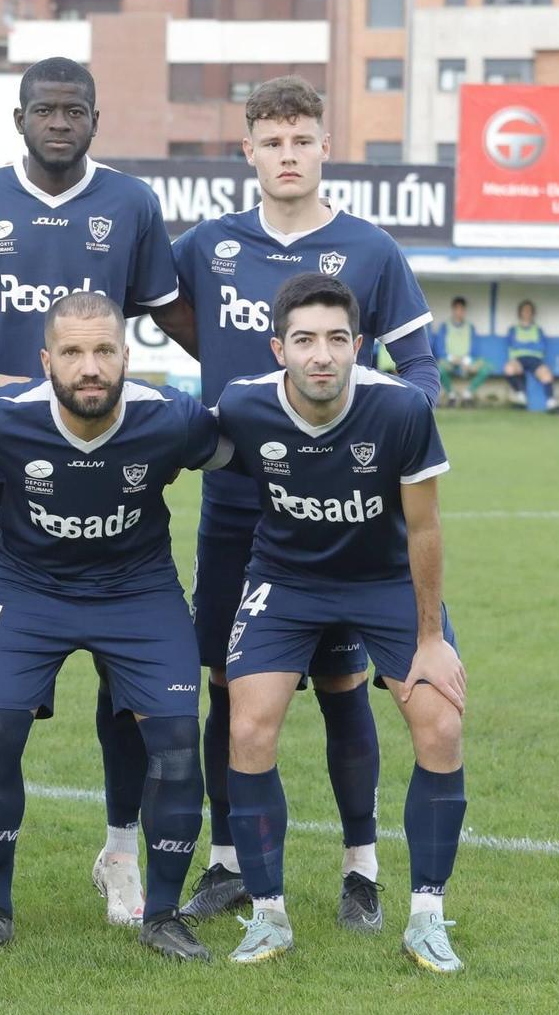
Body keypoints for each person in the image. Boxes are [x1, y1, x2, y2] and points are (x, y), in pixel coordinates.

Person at [0, 56, 196, 929]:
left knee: (127, 677)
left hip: (105, 457)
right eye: (45, 109)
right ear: (18, 117)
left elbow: (170, 311)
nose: (59, 122)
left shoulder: (131, 204)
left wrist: (262, 374)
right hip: (1, 469)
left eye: (75, 110)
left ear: (95, 119)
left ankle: (121, 851)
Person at [168, 74, 439, 931]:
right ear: (246, 151)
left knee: (340, 677)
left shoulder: (370, 249)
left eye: (302, 140)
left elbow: (422, 373)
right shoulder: (207, 244)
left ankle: (361, 866)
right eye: (271, 141)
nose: (288, 155)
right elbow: (187, 332)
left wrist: (367, 434)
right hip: (237, 507)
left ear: (326, 149)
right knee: (228, 681)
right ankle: (228, 863)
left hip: (345, 512)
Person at [0, 291, 225, 961]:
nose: (89, 367)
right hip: (28, 588)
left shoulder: (173, 419)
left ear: (128, 355)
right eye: (72, 352)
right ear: (46, 361)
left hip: (138, 591)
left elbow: (232, 454)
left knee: (179, 741)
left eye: (104, 350)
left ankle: (162, 912)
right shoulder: (1, 420)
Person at [214, 274, 469, 973]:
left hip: (384, 579)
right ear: (279, 348)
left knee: (441, 722)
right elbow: (176, 452)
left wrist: (430, 640)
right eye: (303, 340)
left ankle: (427, 915)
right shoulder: (243, 406)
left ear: (358, 345)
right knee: (247, 726)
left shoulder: (401, 409)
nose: (320, 355)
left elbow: (425, 527)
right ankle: (267, 914)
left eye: (335, 339)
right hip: (285, 580)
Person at [432, 296, 490, 407]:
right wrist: (451, 358)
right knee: (438, 369)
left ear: (464, 311)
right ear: (453, 310)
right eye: (457, 309)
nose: (459, 312)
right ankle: (451, 395)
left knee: (485, 368)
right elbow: (439, 348)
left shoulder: (470, 327)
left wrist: (466, 361)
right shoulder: (444, 326)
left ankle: (467, 394)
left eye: (462, 309)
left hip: (466, 361)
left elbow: (475, 349)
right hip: (449, 360)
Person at [501, 301, 554, 407]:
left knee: (547, 375)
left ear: (533, 313)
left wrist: (522, 344)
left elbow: (541, 347)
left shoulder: (538, 329)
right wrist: (531, 343)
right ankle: (521, 396)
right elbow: (513, 344)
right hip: (518, 359)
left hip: (535, 359)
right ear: (520, 313)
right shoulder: (513, 329)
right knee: (508, 369)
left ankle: (551, 403)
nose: (527, 313)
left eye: (529, 310)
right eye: (524, 310)